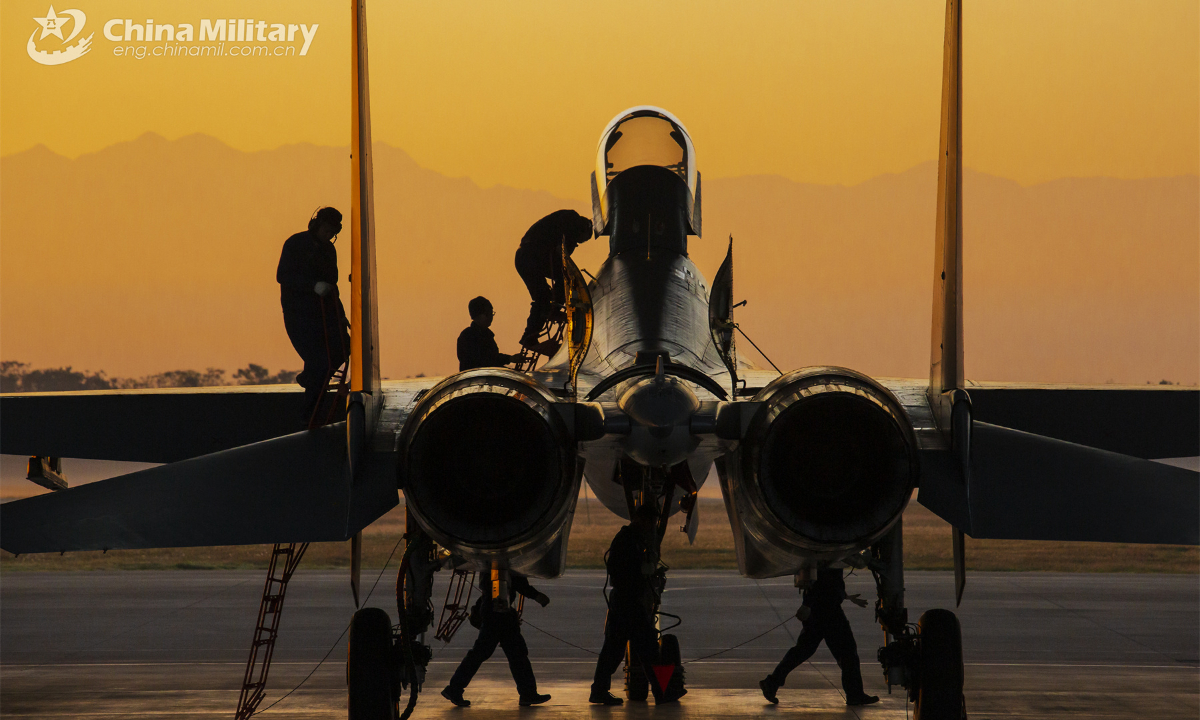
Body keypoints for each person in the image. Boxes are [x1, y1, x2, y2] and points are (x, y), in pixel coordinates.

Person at [589, 503, 684, 706]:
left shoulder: (631, 539)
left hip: (626, 603)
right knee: (640, 648)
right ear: (642, 519)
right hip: (627, 602)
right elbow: (618, 571)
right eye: (651, 521)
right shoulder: (626, 540)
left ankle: (601, 690)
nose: (652, 526)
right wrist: (643, 572)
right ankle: (661, 692)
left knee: (622, 649)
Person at [759, 566, 880, 706]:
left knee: (804, 650)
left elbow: (826, 581)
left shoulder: (830, 553)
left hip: (822, 607)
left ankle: (772, 682)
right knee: (847, 651)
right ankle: (855, 694)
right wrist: (808, 604)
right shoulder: (830, 551)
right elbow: (820, 579)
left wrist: (843, 595)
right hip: (826, 608)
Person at [276, 207, 349, 420]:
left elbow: (332, 285)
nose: (328, 236)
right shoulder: (295, 244)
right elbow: (283, 276)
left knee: (344, 346)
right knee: (320, 362)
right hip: (300, 316)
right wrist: (312, 285)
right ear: (316, 225)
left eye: (332, 233)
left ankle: (311, 381)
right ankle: (310, 412)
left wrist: (341, 314)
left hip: (325, 315)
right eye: (326, 231)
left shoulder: (328, 251)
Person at [442, 572, 552, 707]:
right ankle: (527, 694)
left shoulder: (487, 565)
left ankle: (455, 688)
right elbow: (516, 579)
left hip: (494, 611)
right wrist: (536, 595)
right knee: (511, 654)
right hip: (498, 614)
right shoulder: (503, 563)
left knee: (498, 653)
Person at [514, 209, 593, 355]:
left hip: (529, 258)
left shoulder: (569, 233)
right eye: (584, 239)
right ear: (583, 231)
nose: (581, 242)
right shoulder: (571, 219)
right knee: (546, 294)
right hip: (530, 257)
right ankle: (530, 336)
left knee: (546, 295)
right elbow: (559, 231)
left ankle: (551, 312)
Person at [456, 296, 517, 371]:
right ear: (478, 315)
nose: (491, 317)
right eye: (488, 314)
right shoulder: (468, 337)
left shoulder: (485, 335)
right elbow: (485, 361)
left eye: (492, 313)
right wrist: (510, 359)